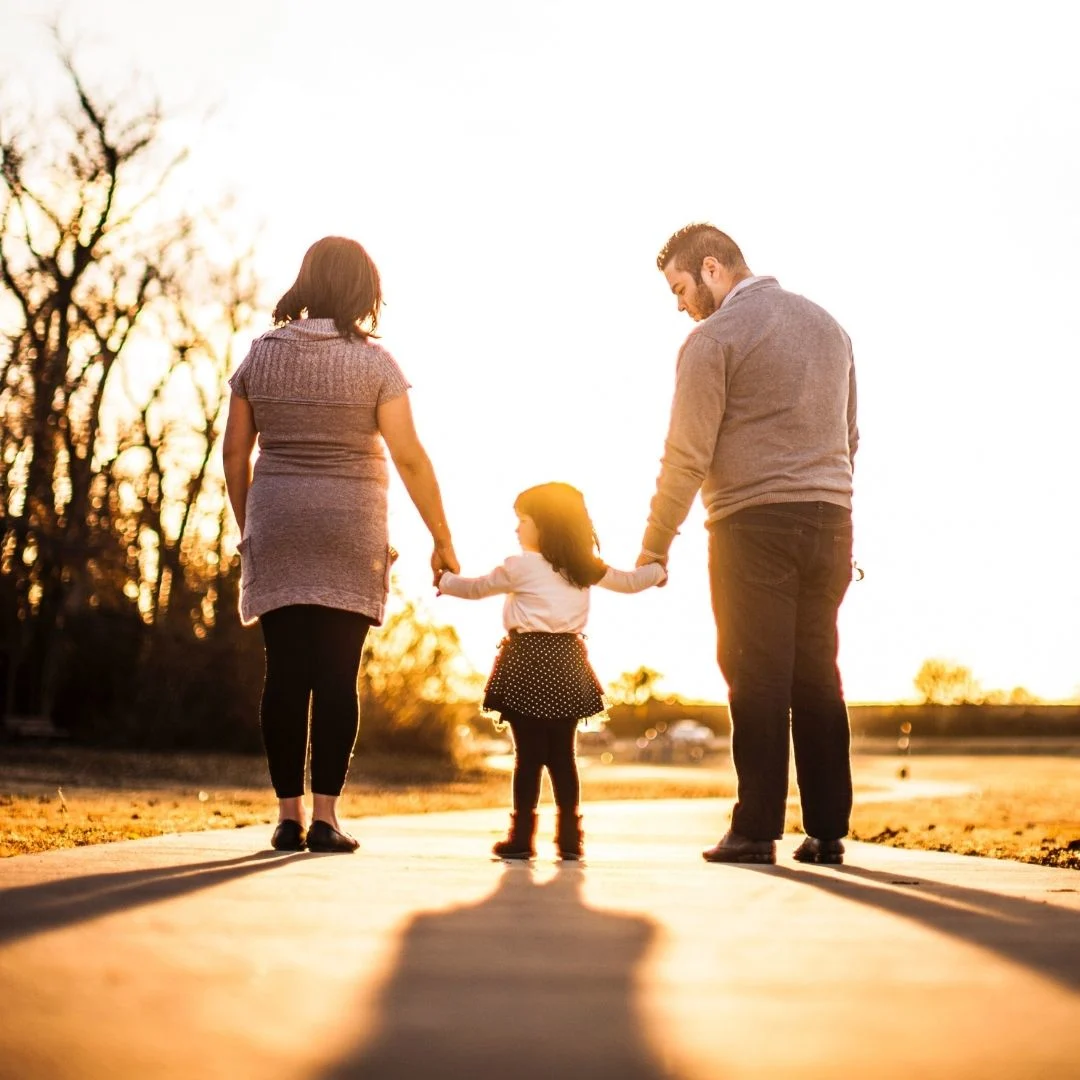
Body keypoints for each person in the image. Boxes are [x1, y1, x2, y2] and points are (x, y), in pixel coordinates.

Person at [223, 236, 459, 854]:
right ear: (363, 289)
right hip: (349, 530)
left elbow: (234, 453)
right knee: (336, 677)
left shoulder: (260, 354)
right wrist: (441, 536)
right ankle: (326, 818)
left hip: (277, 524)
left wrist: (253, 528)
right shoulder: (376, 364)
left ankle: (286, 816)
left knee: (284, 676)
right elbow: (408, 457)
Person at [637, 223, 858, 866]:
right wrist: (828, 499)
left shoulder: (714, 339)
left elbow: (687, 455)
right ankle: (826, 830)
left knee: (755, 675)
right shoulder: (829, 327)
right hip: (831, 520)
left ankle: (755, 829)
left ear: (712, 268)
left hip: (751, 525)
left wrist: (655, 546)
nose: (680, 305)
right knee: (817, 671)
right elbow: (850, 436)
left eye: (680, 288)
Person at [437, 482, 666, 860]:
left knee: (527, 756)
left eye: (522, 520)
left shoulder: (521, 566)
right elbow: (629, 582)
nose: (516, 529)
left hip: (526, 661)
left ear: (544, 523)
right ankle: (570, 839)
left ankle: (522, 837)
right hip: (567, 664)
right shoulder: (582, 566)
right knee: (563, 755)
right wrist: (657, 572)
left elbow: (476, 588)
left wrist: (443, 581)